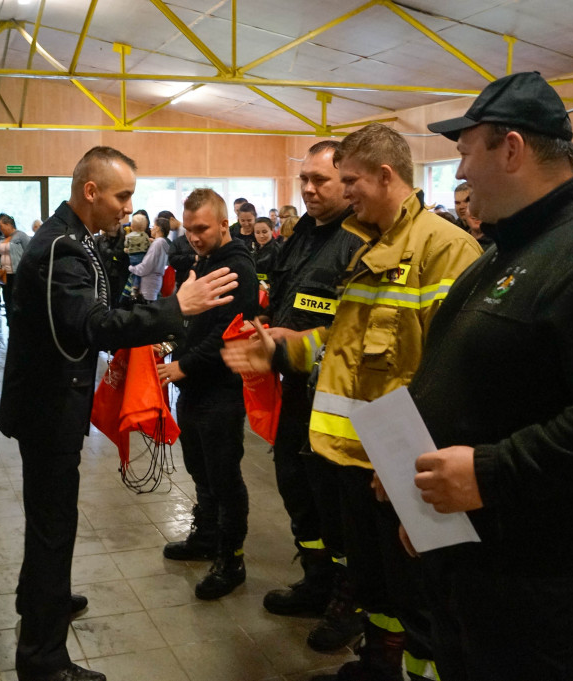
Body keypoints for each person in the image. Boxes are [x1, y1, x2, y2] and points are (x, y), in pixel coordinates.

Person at [402, 71, 573, 681]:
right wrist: (422, 492)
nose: (457, 175)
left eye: (464, 153)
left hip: (541, 578)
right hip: (471, 555)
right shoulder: (507, 254)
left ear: (510, 148)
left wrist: (488, 472)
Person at [223, 123, 481, 681]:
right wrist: (283, 352)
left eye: (349, 181)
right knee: (379, 584)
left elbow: (457, 373)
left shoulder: (446, 249)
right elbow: (345, 341)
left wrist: (415, 468)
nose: (343, 193)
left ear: (385, 176)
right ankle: (380, 665)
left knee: (422, 602)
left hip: (409, 466)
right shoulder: (371, 248)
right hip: (359, 458)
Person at [0, 146, 239, 681]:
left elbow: (100, 313)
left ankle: (42, 599)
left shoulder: (76, 239)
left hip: (51, 400)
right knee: (53, 525)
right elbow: (93, 326)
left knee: (50, 520)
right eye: (122, 195)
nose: (129, 207)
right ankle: (42, 657)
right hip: (46, 407)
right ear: (90, 191)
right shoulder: (62, 246)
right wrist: (179, 308)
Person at [253, 141, 365, 655]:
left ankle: (350, 600)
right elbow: (287, 296)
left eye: (320, 180)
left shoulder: (360, 240)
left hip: (338, 394)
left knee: (336, 499)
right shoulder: (302, 236)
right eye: (305, 180)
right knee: (296, 487)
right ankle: (316, 577)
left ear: (348, 181)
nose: (309, 189)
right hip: (294, 385)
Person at [159, 188, 258, 600]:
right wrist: (168, 346)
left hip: (221, 391)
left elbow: (225, 335)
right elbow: (192, 322)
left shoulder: (236, 268)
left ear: (223, 224)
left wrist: (181, 365)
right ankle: (207, 534)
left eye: (202, 229)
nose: (194, 237)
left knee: (223, 475)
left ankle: (231, 558)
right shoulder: (205, 262)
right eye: (189, 230)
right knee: (199, 468)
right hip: (194, 391)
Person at [128, 215, 171, 301]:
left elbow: (146, 266)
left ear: (158, 228)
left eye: (153, 226)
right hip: (156, 281)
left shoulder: (157, 243)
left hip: (149, 283)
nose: (151, 229)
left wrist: (131, 268)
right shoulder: (162, 243)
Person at [0, 213, 29, 319]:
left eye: (1, 226)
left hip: (17, 274)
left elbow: (29, 253)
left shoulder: (21, 236)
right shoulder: (1, 238)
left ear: (9, 225)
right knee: (7, 300)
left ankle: (20, 324)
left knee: (18, 300)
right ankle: (10, 323)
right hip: (4, 274)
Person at [252, 217, 279, 285]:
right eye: (257, 232)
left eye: (264, 232)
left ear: (272, 230)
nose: (261, 236)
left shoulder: (277, 250)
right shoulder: (254, 248)